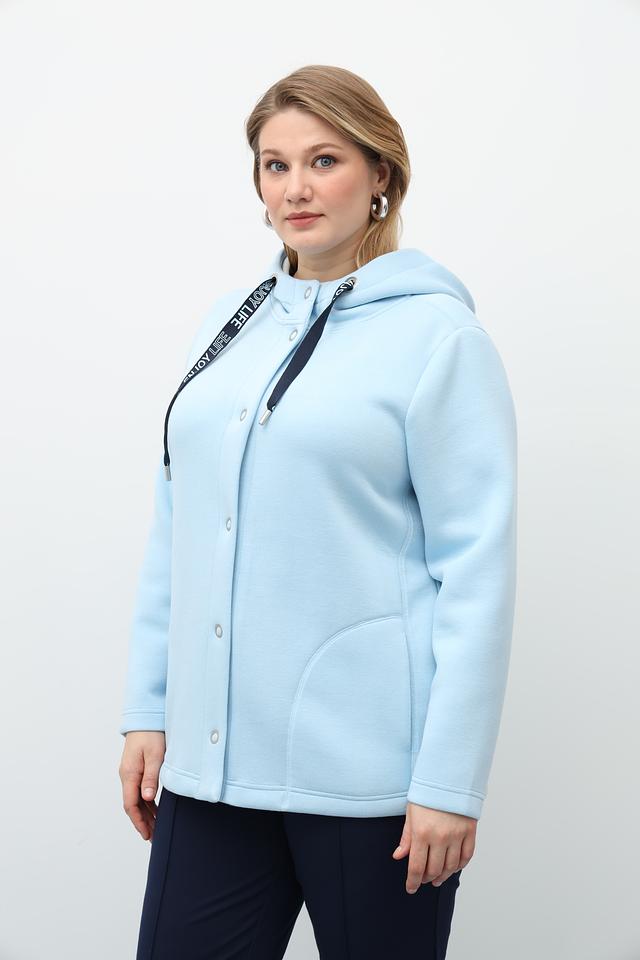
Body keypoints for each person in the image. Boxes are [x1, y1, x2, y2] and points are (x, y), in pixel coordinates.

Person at [118, 63, 518, 960]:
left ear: (381, 175)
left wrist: (450, 781)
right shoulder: (227, 327)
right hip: (214, 773)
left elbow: (477, 572)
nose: (295, 187)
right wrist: (147, 709)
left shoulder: (439, 339)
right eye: (275, 164)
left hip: (373, 789)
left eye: (324, 160)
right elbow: (177, 526)